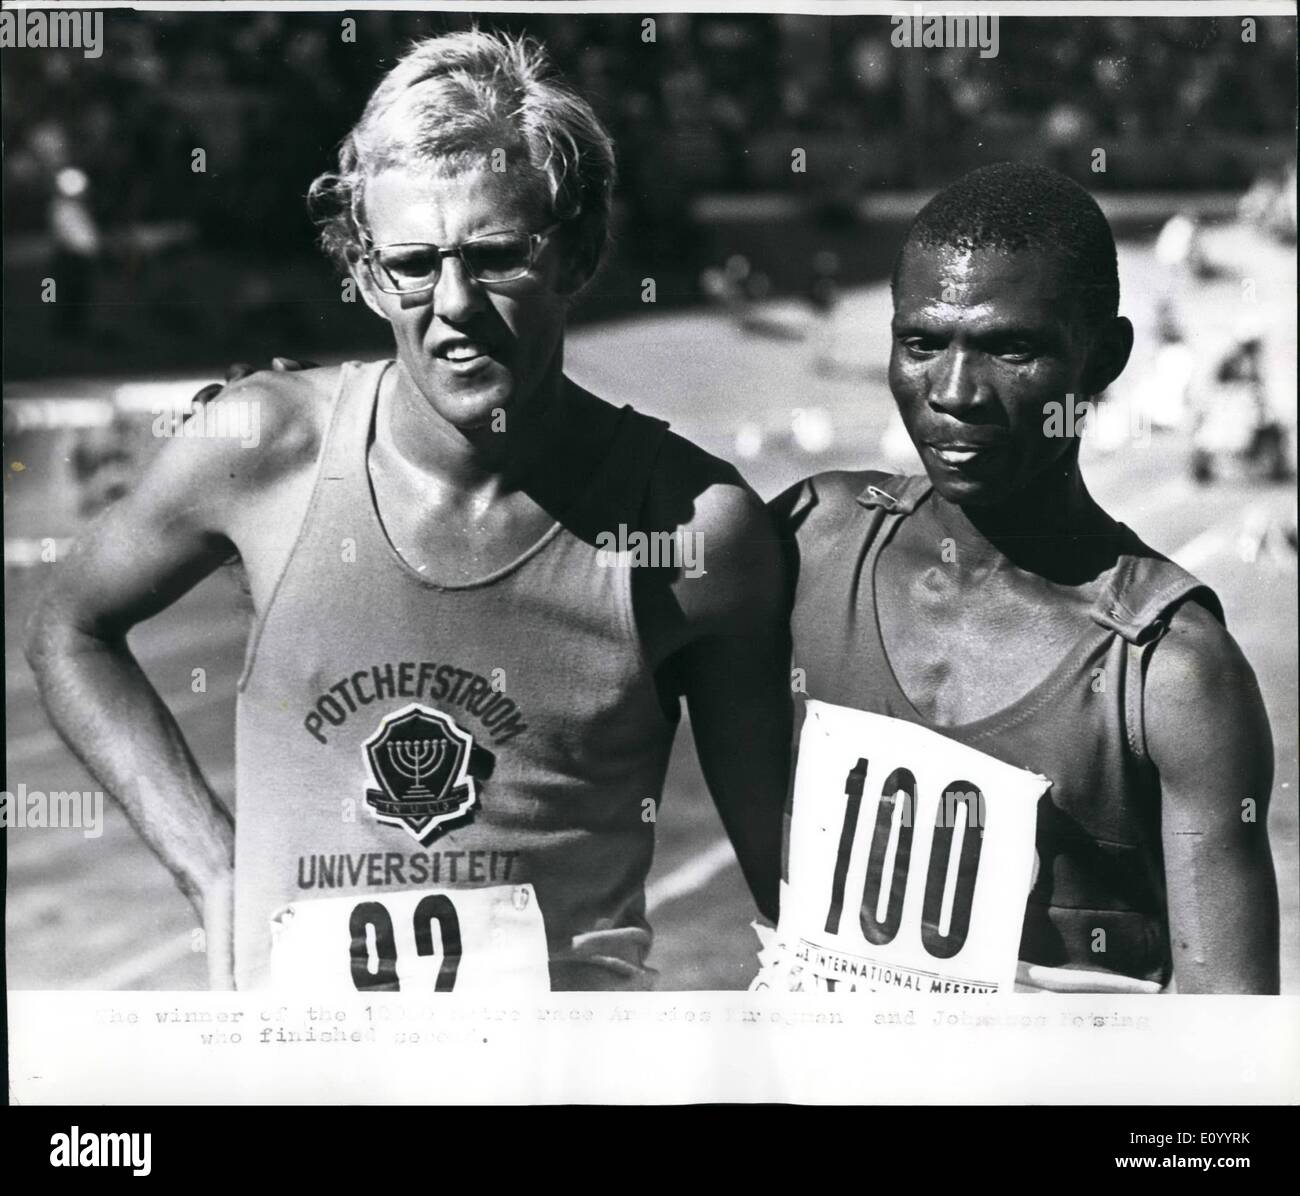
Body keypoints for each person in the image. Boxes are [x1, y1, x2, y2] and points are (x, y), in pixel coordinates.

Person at [26, 30, 790, 993]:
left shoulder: (692, 528)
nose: (455, 302)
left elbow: (791, 895)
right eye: (413, 264)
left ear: (580, 251)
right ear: (364, 271)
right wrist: (215, 871)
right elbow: (69, 625)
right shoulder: (267, 448)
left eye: (498, 254)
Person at [762, 164, 1279, 994]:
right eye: (922, 343)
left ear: (1102, 358)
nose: (956, 393)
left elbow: (1227, 1050)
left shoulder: (1172, 673)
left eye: (1011, 348)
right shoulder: (813, 543)